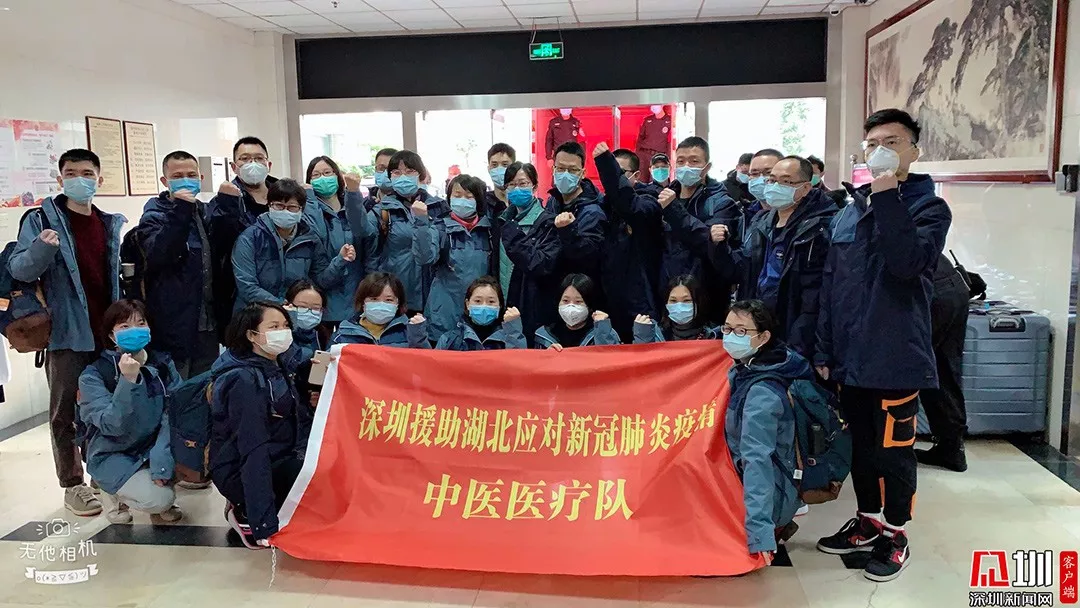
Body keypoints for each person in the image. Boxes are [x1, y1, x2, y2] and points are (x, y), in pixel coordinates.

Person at [815, 109, 952, 582]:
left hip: (895, 356)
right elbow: (833, 284)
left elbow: (906, 263)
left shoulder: (929, 208)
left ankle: (896, 533)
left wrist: (888, 193)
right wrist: (825, 350)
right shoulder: (851, 209)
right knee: (861, 447)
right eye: (873, 143)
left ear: (914, 150)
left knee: (894, 450)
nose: (880, 151)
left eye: (892, 142)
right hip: (849, 356)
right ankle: (868, 520)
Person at [8, 148, 127, 517]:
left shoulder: (108, 223)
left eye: (87, 173)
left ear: (99, 179)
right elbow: (20, 270)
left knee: (105, 407)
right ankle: (72, 484)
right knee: (65, 412)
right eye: (71, 173)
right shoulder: (41, 219)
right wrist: (42, 249)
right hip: (66, 334)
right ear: (60, 179)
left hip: (106, 333)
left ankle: (102, 472)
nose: (80, 180)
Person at [712, 155, 837, 358]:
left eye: (786, 181)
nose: (775, 186)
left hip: (795, 329)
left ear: (805, 188)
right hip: (758, 325)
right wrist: (719, 247)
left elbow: (816, 295)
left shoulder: (821, 227)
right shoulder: (761, 222)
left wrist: (808, 346)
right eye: (772, 180)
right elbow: (742, 269)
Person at [78, 299, 183, 524]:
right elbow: (113, 425)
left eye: (140, 323)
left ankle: (156, 487)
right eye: (125, 326)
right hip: (113, 452)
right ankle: (114, 494)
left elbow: (175, 413)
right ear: (111, 335)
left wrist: (161, 462)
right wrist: (128, 380)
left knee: (194, 459)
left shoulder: (162, 365)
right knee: (160, 499)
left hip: (152, 446)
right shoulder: (94, 375)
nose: (134, 330)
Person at [210, 302, 306, 549]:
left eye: (285, 325)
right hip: (242, 466)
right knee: (308, 477)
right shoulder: (243, 380)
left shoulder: (276, 364)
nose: (282, 332)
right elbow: (253, 448)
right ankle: (245, 512)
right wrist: (264, 525)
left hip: (279, 454)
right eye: (273, 327)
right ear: (251, 335)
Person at [723, 300, 808, 564]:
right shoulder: (752, 366)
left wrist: (760, 535)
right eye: (727, 329)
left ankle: (772, 525)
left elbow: (757, 462)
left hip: (768, 495)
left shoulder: (762, 394)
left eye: (741, 331)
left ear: (763, 337)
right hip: (769, 485)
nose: (730, 336)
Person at [502, 142, 608, 342]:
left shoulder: (592, 211)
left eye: (572, 170)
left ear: (582, 172)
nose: (565, 174)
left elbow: (588, 257)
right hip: (549, 297)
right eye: (560, 168)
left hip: (577, 298)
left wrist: (567, 231)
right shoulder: (552, 204)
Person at [136, 150, 217, 379]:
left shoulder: (204, 212)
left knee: (206, 388)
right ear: (165, 181)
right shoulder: (154, 215)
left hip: (208, 324)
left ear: (201, 178)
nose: (186, 180)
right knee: (176, 389)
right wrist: (181, 210)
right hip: (174, 325)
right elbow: (161, 255)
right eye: (178, 176)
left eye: (191, 175)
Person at [232, 179, 353, 311]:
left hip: (296, 314)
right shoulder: (250, 238)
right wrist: (281, 305)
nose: (285, 211)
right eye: (279, 206)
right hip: (255, 314)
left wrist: (340, 260)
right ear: (269, 205)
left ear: (301, 209)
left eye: (292, 207)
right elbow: (247, 286)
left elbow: (322, 281)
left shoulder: (310, 239)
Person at [657, 136, 741, 325]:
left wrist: (673, 210)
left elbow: (709, 244)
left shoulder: (721, 203)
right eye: (681, 161)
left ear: (707, 167)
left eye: (694, 161)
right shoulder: (664, 197)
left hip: (706, 296)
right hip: (669, 294)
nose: (686, 166)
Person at [352, 150, 447, 316]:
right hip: (394, 293)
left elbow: (426, 256)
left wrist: (422, 220)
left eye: (409, 171)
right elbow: (361, 230)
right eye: (396, 172)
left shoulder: (439, 208)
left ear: (421, 175)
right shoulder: (383, 209)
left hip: (433, 292)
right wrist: (353, 194)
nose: (403, 177)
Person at [414, 174, 499, 342]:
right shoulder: (439, 228)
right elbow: (424, 258)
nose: (462, 200)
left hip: (479, 313)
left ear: (478, 200)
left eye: (469, 196)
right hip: (443, 314)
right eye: (457, 195)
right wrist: (421, 222)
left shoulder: (489, 231)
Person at [208, 137, 278, 337]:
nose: (252, 164)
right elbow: (219, 243)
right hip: (239, 296)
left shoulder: (283, 196)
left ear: (268, 164)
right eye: (245, 159)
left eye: (259, 158)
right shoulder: (222, 202)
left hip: (282, 291)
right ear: (234, 166)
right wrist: (228, 204)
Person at [595, 144, 663, 341]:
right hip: (608, 302)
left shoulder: (649, 201)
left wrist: (606, 163)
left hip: (641, 303)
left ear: (636, 175)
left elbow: (630, 207)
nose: (612, 177)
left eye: (620, 172)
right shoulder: (602, 207)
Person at [916, 254, 970, 472]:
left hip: (931, 292)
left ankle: (892, 451)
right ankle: (952, 447)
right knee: (943, 370)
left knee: (916, 367)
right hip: (953, 286)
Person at [304, 155, 370, 327]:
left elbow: (363, 230)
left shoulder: (350, 206)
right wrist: (309, 198)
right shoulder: (309, 209)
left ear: (337, 175)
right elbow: (316, 232)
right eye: (316, 175)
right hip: (324, 300)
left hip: (355, 296)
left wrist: (353, 193)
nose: (323, 178)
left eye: (327, 173)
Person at [496, 162, 546, 338]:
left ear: (535, 186)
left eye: (523, 183)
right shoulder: (502, 220)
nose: (517, 189)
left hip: (531, 303)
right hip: (504, 300)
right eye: (511, 184)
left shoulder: (545, 222)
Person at [330, 272, 430, 348]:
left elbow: (425, 363)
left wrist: (418, 337)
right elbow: (328, 362)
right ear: (363, 302)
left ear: (398, 303)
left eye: (389, 300)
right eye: (374, 299)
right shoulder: (344, 333)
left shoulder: (409, 332)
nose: (381, 304)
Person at [434, 276, 527, 350]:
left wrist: (513, 329)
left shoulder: (509, 338)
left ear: (500, 305)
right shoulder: (450, 340)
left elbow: (518, 363)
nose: (484, 306)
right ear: (467, 304)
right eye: (478, 301)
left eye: (491, 302)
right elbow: (432, 364)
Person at [534, 274, 620, 350]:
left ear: (589, 306)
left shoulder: (604, 331)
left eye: (578, 302)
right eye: (565, 301)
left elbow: (610, 359)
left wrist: (602, 330)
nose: (571, 307)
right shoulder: (544, 335)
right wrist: (547, 356)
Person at [633, 275, 718, 343]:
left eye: (687, 300)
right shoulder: (655, 334)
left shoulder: (715, 335)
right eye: (673, 301)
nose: (679, 306)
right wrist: (643, 338)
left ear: (699, 302)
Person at [283, 279, 328, 364]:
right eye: (302, 307)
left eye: (315, 308)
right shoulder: (278, 335)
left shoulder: (321, 335)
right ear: (287, 304)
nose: (309, 312)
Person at [485, 143, 516, 215]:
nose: (499, 169)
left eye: (505, 165)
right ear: (489, 169)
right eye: (494, 165)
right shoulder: (483, 204)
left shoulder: (522, 200)